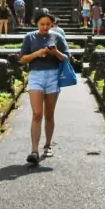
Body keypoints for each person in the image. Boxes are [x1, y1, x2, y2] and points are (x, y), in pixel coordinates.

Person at [20, 12, 69, 164]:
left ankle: (47, 145)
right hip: (36, 76)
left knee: (49, 114)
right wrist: (37, 53)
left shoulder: (57, 37)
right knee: (36, 113)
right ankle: (34, 151)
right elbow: (22, 59)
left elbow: (66, 58)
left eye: (48, 24)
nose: (45, 27)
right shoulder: (30, 37)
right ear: (36, 24)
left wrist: (56, 52)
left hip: (53, 76)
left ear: (52, 24)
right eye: (42, 24)